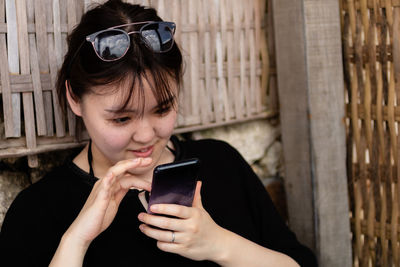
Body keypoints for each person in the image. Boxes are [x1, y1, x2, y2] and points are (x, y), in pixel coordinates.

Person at [0, 0, 317, 266]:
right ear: (74, 98)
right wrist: (76, 240)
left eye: (162, 110)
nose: (145, 135)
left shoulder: (221, 163)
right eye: (122, 119)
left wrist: (219, 244)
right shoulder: (39, 209)